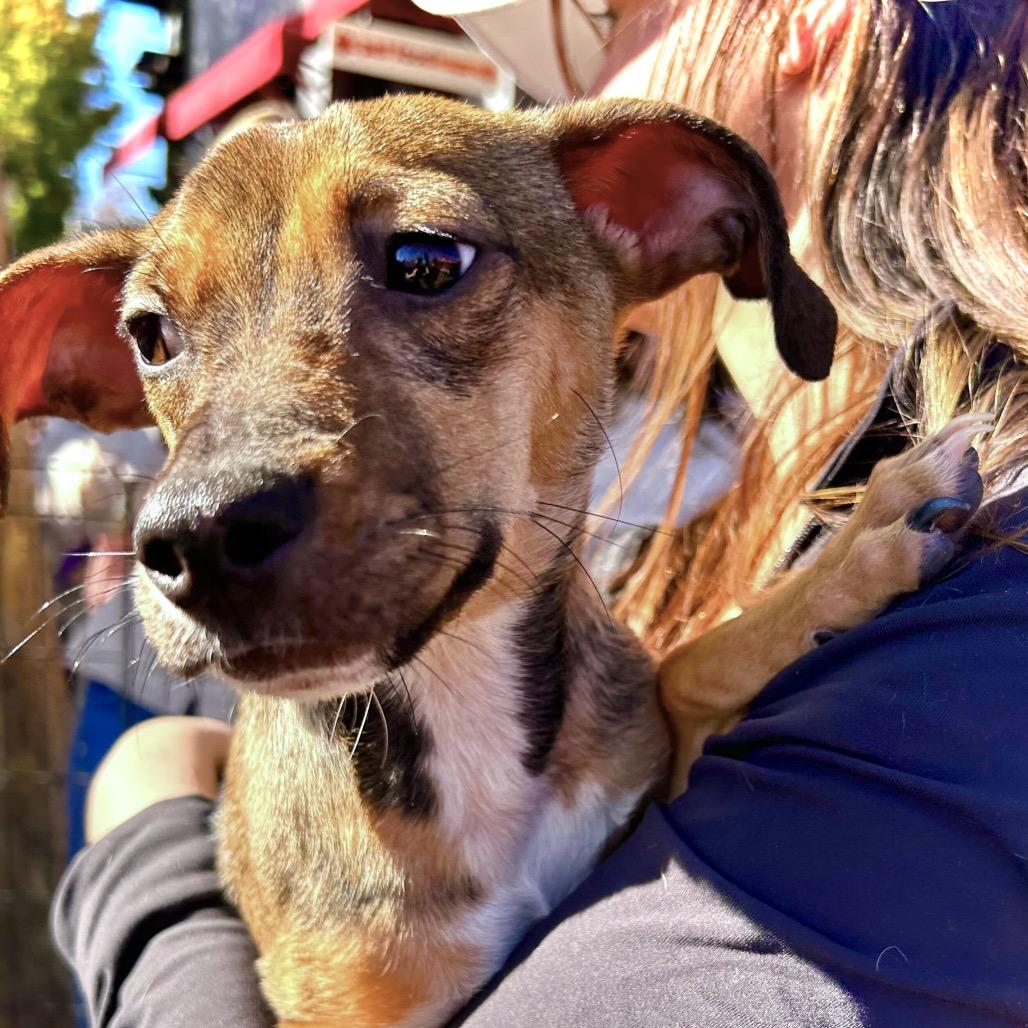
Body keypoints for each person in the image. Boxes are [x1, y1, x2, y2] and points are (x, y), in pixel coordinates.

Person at [52, 1, 1028, 1025]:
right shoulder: (696, 533)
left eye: (422, 266)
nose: (590, 74)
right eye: (159, 335)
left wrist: (145, 853)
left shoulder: (973, 632)